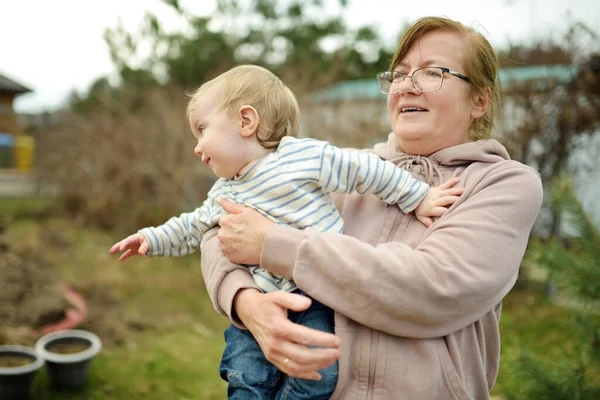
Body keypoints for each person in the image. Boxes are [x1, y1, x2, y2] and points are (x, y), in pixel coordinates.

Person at [199, 17, 544, 400]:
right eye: (399, 74)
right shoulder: (349, 170)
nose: (407, 86)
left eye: (432, 72)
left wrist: (276, 244)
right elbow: (221, 227)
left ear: (479, 100)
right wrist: (247, 304)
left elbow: (430, 287)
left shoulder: (503, 183)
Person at [109, 64, 463, 399]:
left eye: (202, 129)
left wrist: (419, 197)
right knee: (244, 378)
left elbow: (365, 171)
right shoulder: (223, 192)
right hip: (259, 303)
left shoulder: (301, 158)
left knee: (318, 374)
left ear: (246, 121)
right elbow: (191, 227)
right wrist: (150, 239)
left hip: (316, 295)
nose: (197, 146)